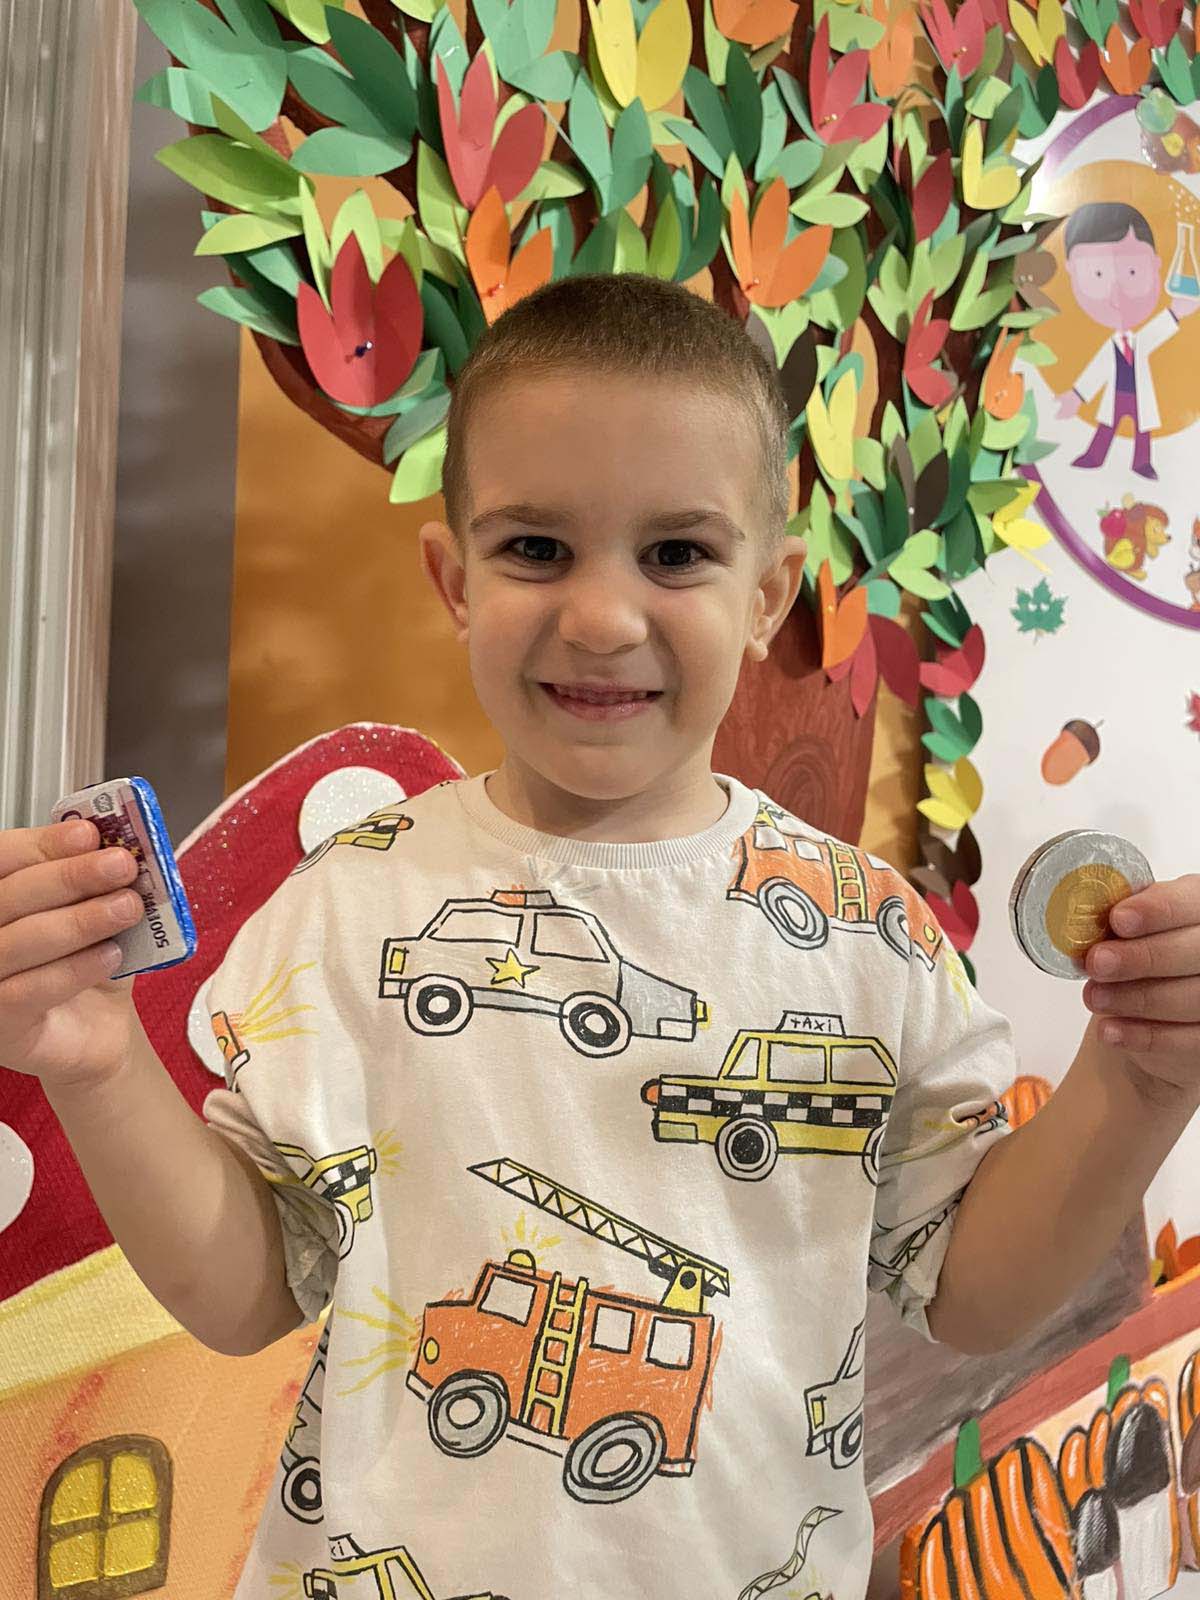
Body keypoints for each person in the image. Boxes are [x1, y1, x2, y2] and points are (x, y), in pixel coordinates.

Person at [4, 273, 1200, 1600]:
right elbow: (245, 1298)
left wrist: (1143, 1080)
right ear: (454, 581)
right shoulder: (350, 906)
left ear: (768, 593)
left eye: (676, 554)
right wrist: (96, 1062)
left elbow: (973, 1295)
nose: (602, 618)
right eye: (535, 548)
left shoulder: (870, 939)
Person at [1055, 200, 1200, 480]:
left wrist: (1175, 313)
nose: (1116, 293)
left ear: (1156, 266)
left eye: (1132, 272)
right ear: (1071, 270)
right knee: (1106, 427)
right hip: (1117, 395)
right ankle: (1093, 457)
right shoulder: (1113, 345)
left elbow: (1151, 337)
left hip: (1137, 394)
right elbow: (1097, 368)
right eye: (1097, 274)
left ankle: (1141, 463)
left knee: (1142, 431)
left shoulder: (1138, 341)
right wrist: (1077, 396)